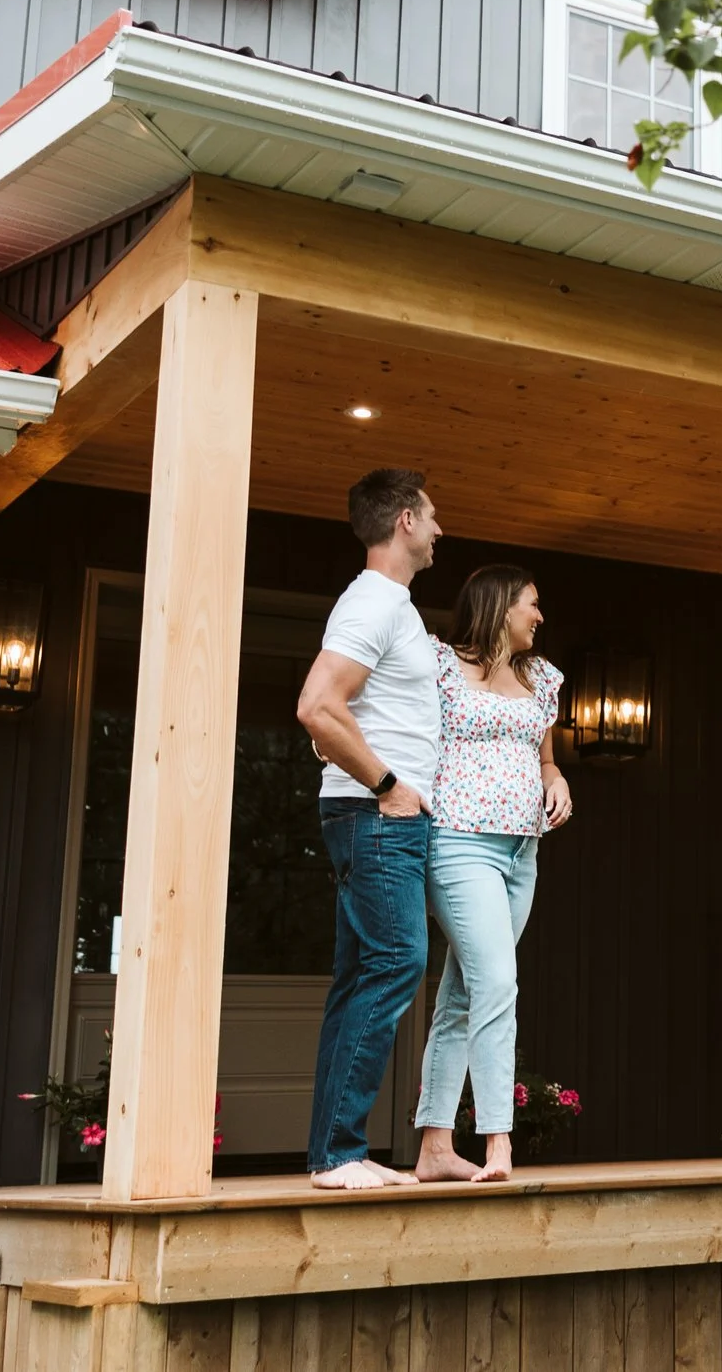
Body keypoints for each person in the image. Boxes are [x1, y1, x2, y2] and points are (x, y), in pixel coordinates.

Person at [295, 468, 443, 1191]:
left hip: (374, 816)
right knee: (396, 963)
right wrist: (388, 786)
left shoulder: (392, 607)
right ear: (407, 520)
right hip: (378, 818)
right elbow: (319, 706)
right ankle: (339, 1152)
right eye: (434, 516)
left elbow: (337, 719)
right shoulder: (374, 603)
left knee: (363, 973)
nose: (441, 531)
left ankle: (333, 1150)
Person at [412, 564, 571, 1183]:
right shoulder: (442, 666)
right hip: (459, 843)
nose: (539, 616)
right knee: (498, 983)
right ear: (502, 605)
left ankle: (433, 1146)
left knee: (462, 995)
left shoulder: (540, 678)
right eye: (532, 604)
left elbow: (545, 757)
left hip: (520, 852)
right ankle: (498, 1143)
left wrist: (556, 780)